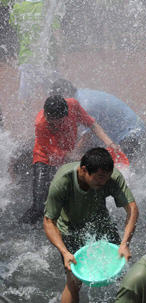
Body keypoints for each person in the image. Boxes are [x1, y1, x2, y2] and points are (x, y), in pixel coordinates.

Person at [43, 148, 138, 303]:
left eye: (107, 177)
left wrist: (125, 243)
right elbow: (49, 221)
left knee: (125, 273)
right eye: (100, 178)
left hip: (101, 225)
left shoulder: (111, 177)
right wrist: (64, 252)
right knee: (74, 282)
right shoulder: (62, 182)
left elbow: (132, 209)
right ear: (84, 170)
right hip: (70, 230)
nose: (104, 183)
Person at [22, 95, 118, 223]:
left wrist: (110, 143)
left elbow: (92, 124)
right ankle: (22, 229)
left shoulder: (73, 106)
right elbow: (56, 153)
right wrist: (77, 157)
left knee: (71, 198)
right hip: (44, 158)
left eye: (58, 121)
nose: (54, 124)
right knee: (39, 206)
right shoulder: (41, 123)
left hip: (68, 155)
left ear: (66, 114)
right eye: (51, 121)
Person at [49, 79, 145, 157]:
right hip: (118, 130)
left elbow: (88, 134)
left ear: (65, 95)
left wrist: (73, 154)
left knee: (122, 166)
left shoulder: (85, 105)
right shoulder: (79, 96)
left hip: (130, 132)